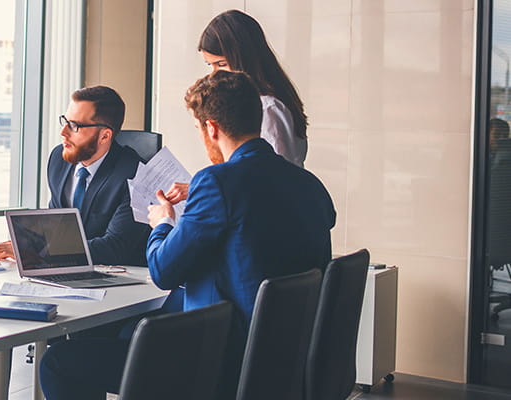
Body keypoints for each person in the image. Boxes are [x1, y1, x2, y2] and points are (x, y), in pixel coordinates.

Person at [38, 70, 335, 400]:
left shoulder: (216, 182)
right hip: (283, 359)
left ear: (211, 128)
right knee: (126, 334)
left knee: (57, 361)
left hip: (216, 358)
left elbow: (164, 271)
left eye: (198, 129)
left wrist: (163, 223)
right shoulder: (311, 186)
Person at [0, 86, 153, 400]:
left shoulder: (135, 175)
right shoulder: (60, 160)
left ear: (105, 135)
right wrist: (27, 244)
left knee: (68, 356)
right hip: (62, 276)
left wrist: (38, 251)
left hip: (117, 289)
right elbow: (57, 223)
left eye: (75, 126)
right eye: (65, 121)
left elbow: (114, 246)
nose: (63, 132)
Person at [199, 9, 309, 167]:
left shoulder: (269, 109)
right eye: (211, 65)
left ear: (244, 59)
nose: (214, 75)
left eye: (221, 64)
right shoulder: (257, 103)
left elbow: (273, 178)